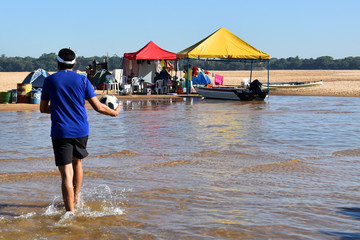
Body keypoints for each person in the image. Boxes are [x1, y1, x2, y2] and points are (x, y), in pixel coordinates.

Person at [40, 48, 121, 214]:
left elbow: (42, 109)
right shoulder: (83, 80)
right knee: (78, 163)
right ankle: (76, 199)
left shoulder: (50, 80)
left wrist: (58, 109)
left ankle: (70, 214)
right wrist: (115, 112)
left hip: (61, 131)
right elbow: (98, 107)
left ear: (57, 62)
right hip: (81, 130)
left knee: (66, 175)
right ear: (74, 63)